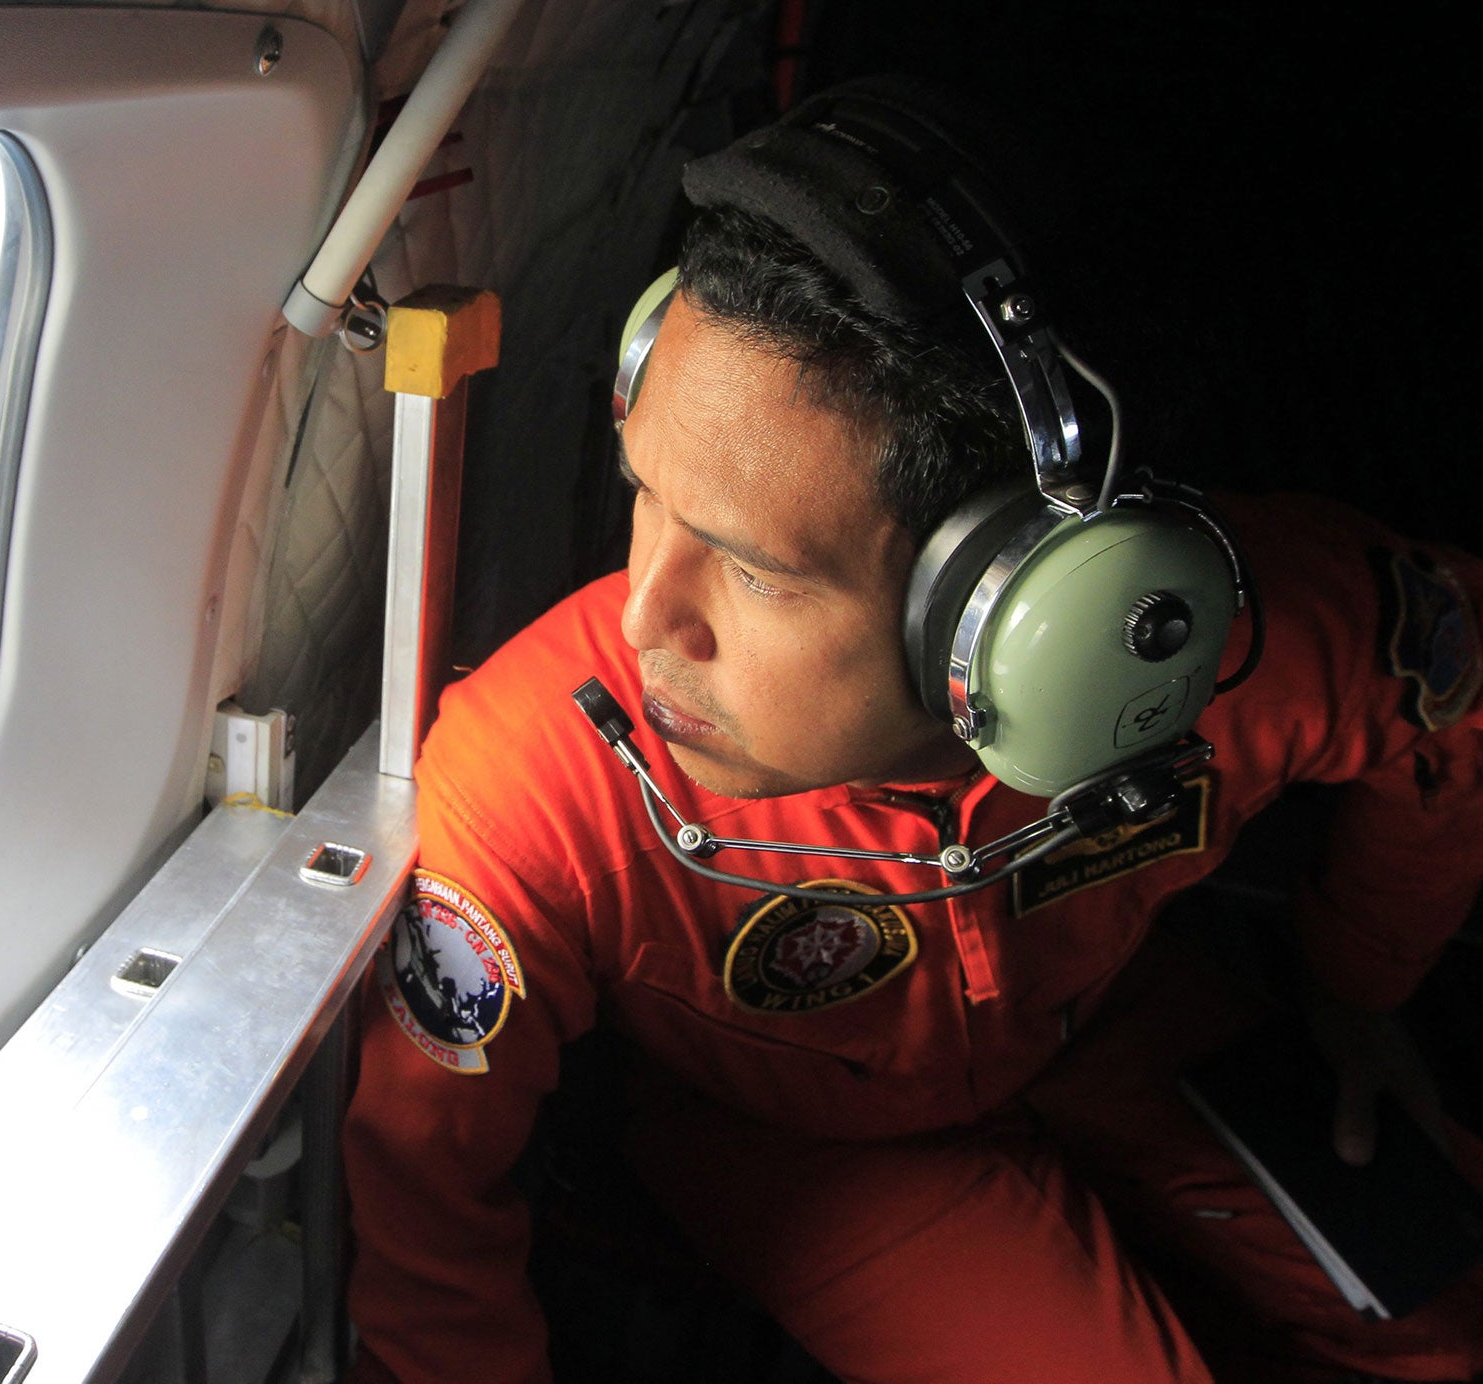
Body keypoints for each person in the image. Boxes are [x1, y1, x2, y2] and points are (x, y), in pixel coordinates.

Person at [340, 78, 1483, 1384]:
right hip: (804, 1142)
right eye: (647, 496)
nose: (645, 616)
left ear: (1028, 614)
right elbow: (427, 1221)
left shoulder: (1212, 654)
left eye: (755, 570)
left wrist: (1359, 988)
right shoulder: (543, 783)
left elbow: (1455, 690)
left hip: (1112, 1024)